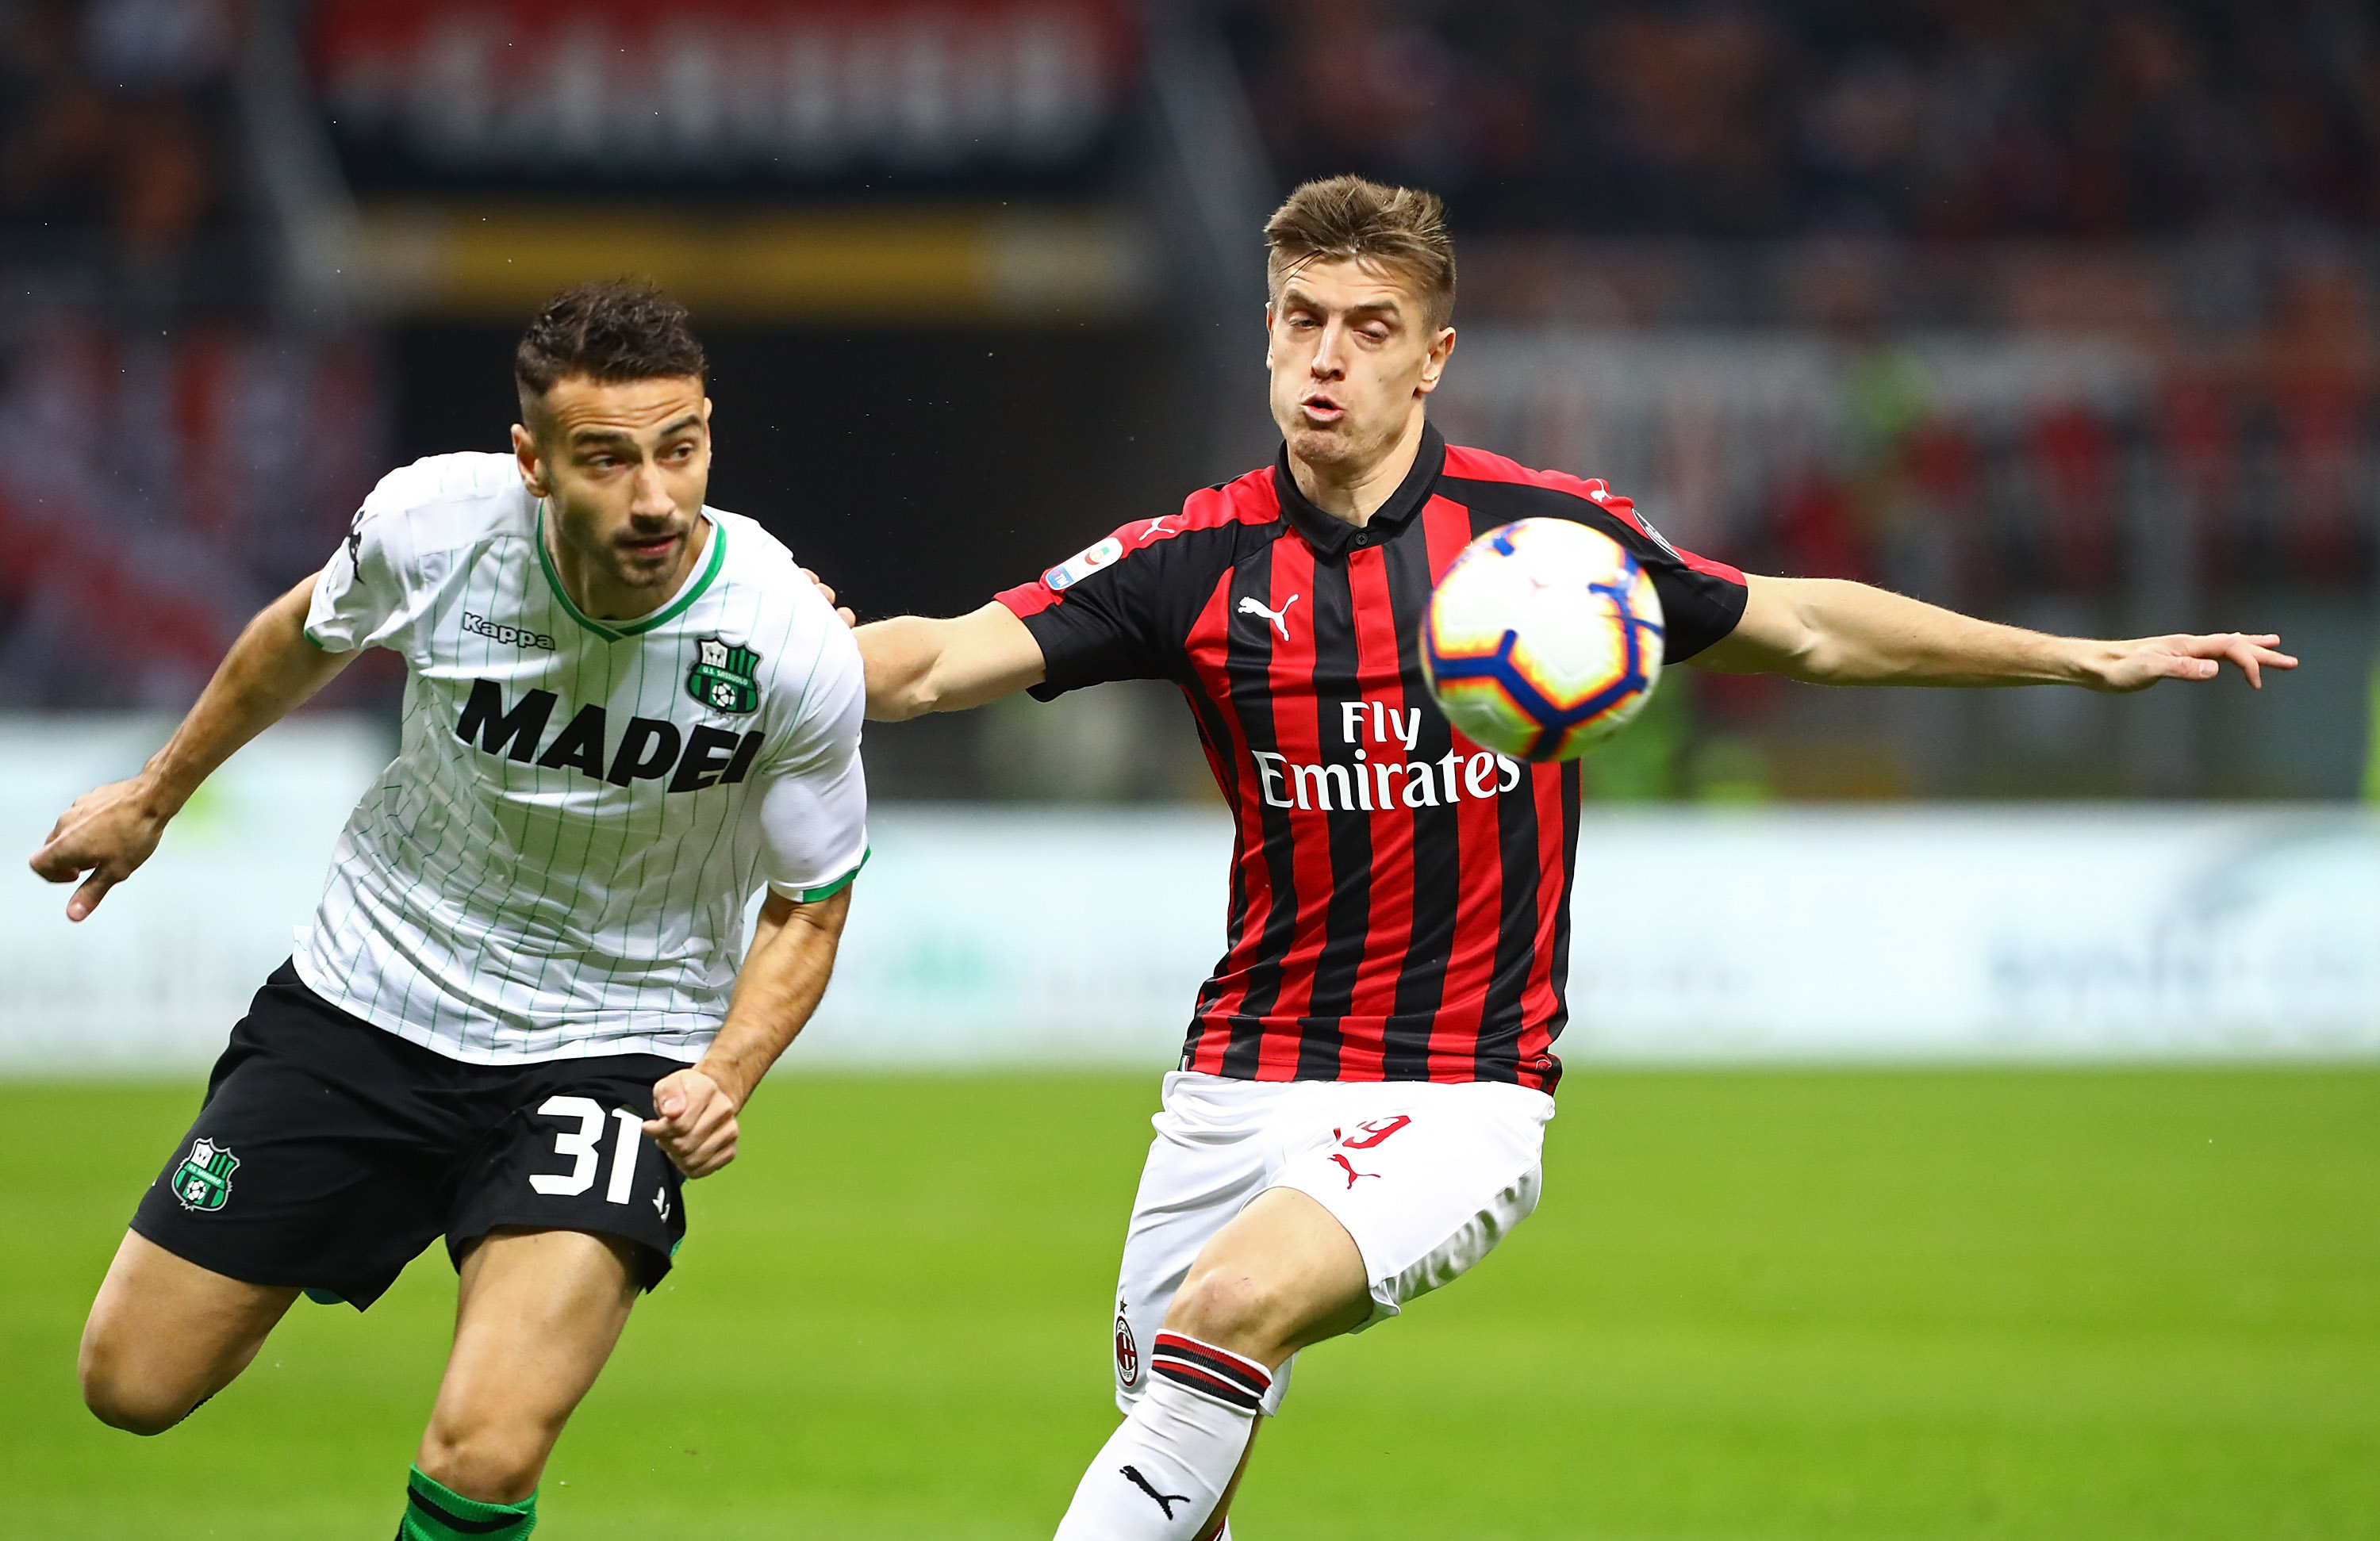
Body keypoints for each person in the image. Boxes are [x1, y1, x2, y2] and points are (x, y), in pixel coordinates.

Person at [856, 176, 2295, 1540]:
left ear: (1433, 358)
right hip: (1234, 1075)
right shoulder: (1195, 561)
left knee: (1225, 1309)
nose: (1327, 359)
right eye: (1302, 319)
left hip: (1458, 1085)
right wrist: (739, 645)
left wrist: (2070, 658)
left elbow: (1803, 625)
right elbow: (931, 666)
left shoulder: (1548, 542)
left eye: (1370, 329)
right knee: (1183, 1448)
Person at [30, 281, 868, 1541]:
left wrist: (729, 1072)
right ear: (532, 462)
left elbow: (810, 902)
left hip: (609, 1042)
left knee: (486, 1448)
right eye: (607, 458)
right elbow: (303, 635)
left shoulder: (789, 641)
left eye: (679, 449)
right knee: (128, 1384)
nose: (653, 497)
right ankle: (372, 1205)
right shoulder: (433, 527)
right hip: (370, 999)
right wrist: (155, 795)